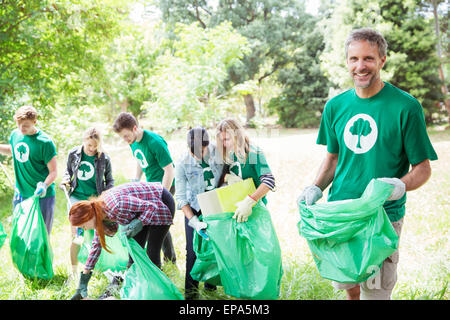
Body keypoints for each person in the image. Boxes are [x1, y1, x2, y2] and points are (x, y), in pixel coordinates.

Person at [297, 28, 438, 300]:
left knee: (376, 293)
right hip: (341, 213)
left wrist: (399, 185)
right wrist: (315, 188)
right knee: (349, 287)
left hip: (381, 215)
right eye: (353, 59)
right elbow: (333, 158)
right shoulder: (335, 107)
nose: (360, 66)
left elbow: (423, 168)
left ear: (383, 60)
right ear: (347, 61)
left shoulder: (406, 107)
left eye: (368, 59)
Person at [68, 182, 175, 300]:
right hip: (141, 211)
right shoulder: (98, 214)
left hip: (160, 201)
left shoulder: (116, 205)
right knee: (133, 256)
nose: (84, 229)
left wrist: (139, 223)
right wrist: (82, 283)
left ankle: (157, 292)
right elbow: (96, 248)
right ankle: (134, 290)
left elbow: (151, 207)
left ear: (88, 216)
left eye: (83, 226)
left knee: (152, 253)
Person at [112, 112, 176, 264]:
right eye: (123, 137)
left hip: (164, 186)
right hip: (149, 187)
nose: (125, 140)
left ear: (135, 128)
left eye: (126, 136)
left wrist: (162, 195)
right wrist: (136, 179)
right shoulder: (133, 142)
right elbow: (140, 160)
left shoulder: (154, 142)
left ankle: (170, 259)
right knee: (157, 222)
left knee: (159, 221)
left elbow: (169, 170)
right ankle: (168, 258)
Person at [175, 127, 223, 299]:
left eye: (202, 151)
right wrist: (194, 221)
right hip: (194, 207)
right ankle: (191, 293)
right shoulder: (182, 162)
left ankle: (212, 287)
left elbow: (226, 175)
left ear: (207, 145)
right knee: (193, 250)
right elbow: (180, 197)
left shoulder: (219, 154)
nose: (198, 155)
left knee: (215, 248)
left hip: (216, 206)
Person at [60, 127, 114, 280]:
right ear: (83, 141)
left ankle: (94, 267)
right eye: (89, 145)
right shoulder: (73, 154)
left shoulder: (104, 158)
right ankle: (74, 270)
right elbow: (68, 172)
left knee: (96, 235)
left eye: (95, 146)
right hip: (76, 200)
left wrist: (106, 193)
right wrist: (65, 180)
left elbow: (110, 180)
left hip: (94, 201)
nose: (92, 149)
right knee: (77, 237)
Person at [0, 105, 57, 235]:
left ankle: (42, 256)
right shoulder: (15, 135)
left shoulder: (45, 142)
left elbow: (53, 172)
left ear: (35, 121)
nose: (21, 128)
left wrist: (44, 185)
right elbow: (13, 150)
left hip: (42, 196)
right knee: (22, 233)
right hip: (21, 194)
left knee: (42, 236)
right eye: (19, 124)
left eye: (25, 125)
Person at [215, 119, 276, 223]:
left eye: (227, 139)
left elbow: (269, 181)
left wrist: (249, 201)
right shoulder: (230, 154)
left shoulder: (253, 153)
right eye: (222, 141)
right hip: (233, 210)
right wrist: (227, 177)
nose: (224, 144)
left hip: (254, 211)